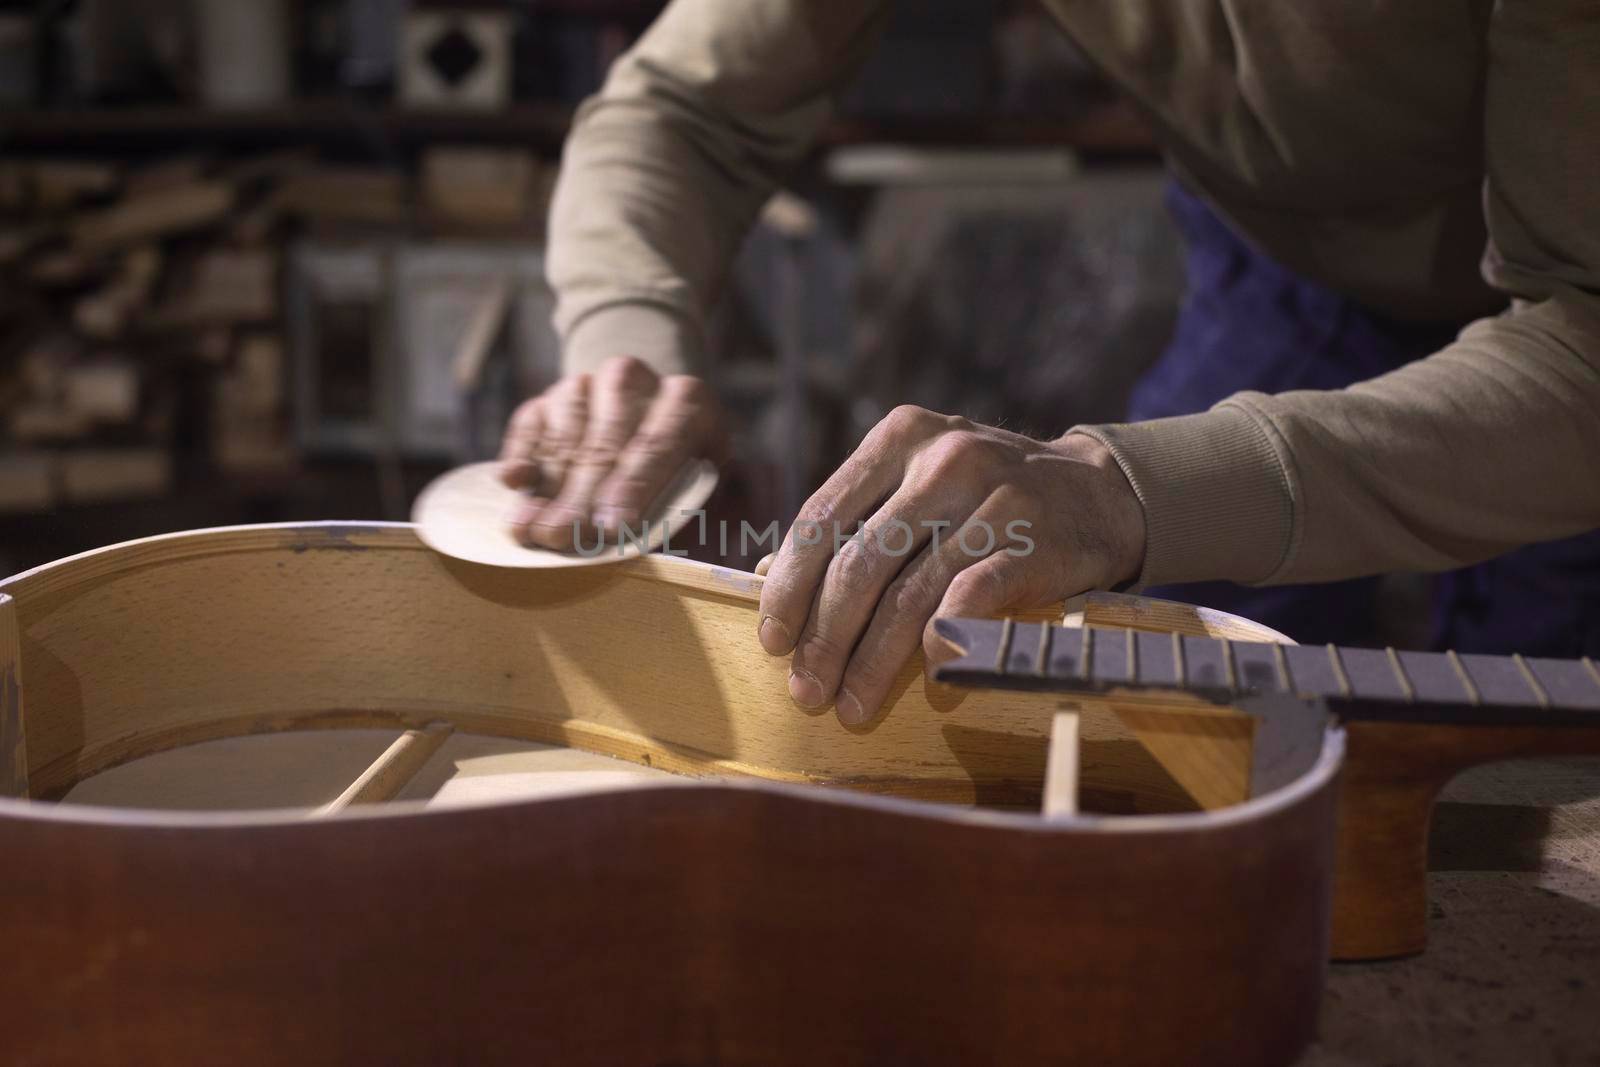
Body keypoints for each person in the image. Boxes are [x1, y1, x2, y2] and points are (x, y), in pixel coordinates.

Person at [498, 0, 1600, 726]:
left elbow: (1582, 338)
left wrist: (1127, 487)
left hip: (1567, 314)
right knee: (1189, 709)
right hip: (1280, 250)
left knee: (1523, 726)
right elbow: (680, 107)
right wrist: (626, 340)